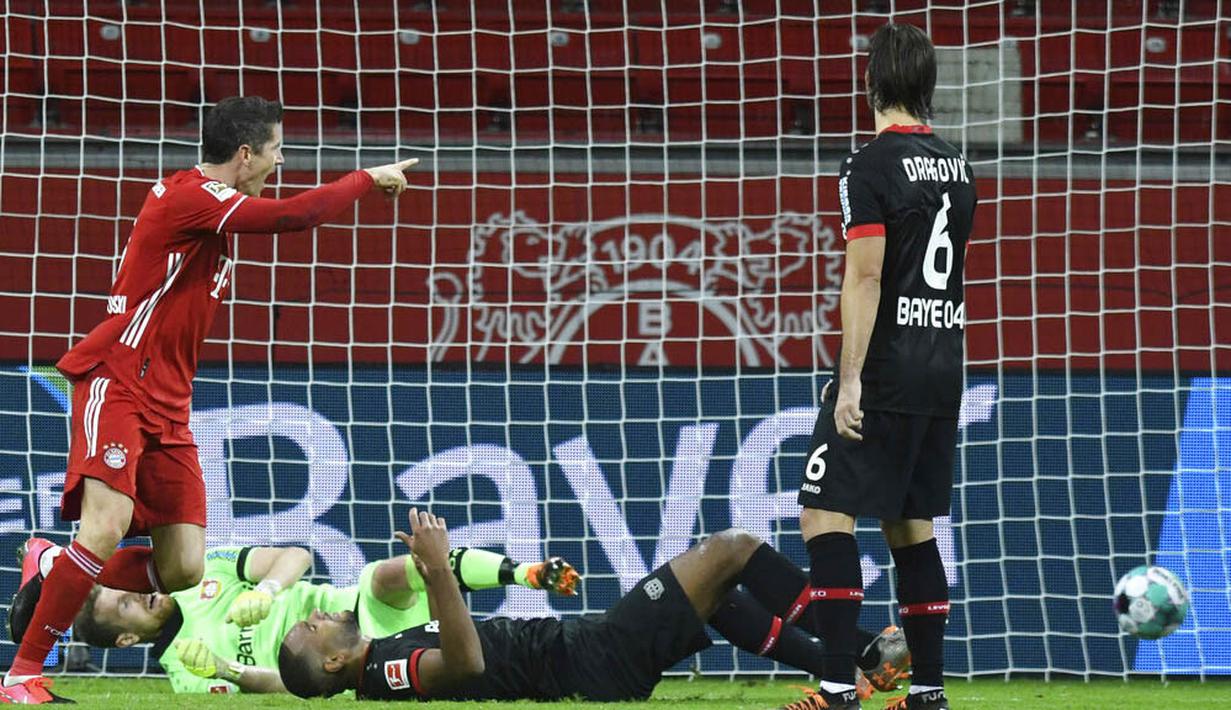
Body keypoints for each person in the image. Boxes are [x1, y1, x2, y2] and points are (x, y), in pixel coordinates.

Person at [0, 96, 420, 705]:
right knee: (106, 527)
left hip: (168, 404)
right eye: (276, 149)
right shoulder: (190, 197)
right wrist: (365, 178)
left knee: (184, 569)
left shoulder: (215, 211)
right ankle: (21, 675)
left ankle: (49, 568)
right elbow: (293, 217)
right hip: (119, 380)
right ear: (246, 154)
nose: (280, 161)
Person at [795, 22, 978, 710]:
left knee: (823, 512)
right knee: (910, 524)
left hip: (889, 367)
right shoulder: (957, 167)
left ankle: (839, 688)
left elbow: (867, 278)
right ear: (927, 86)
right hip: (941, 362)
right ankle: (926, 693)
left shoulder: (866, 167)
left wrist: (849, 378)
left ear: (870, 82)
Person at [276, 509, 909, 702]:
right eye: (311, 628)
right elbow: (465, 663)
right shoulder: (385, 673)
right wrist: (439, 570)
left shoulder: (381, 649)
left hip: (586, 654)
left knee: (712, 596)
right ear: (332, 666)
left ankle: (842, 669)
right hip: (591, 661)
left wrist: (456, 571)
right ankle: (853, 655)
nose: (317, 615)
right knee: (732, 549)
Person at [8, 537, 578, 693]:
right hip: (348, 661)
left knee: (384, 574)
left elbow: (296, 554)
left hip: (348, 616)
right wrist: (231, 675)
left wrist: (274, 589)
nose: (143, 596)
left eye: (126, 590)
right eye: (129, 606)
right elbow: (276, 686)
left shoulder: (191, 575)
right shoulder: (186, 669)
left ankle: (521, 573)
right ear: (129, 639)